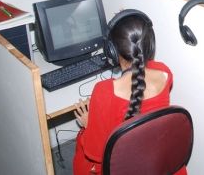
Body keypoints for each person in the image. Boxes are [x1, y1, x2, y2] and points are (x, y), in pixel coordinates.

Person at [73, 11, 186, 174]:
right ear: (150, 44)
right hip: (158, 158)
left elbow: (97, 154)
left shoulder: (104, 91)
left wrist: (88, 123)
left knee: (82, 146)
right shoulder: (165, 73)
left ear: (111, 50)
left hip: (122, 167)